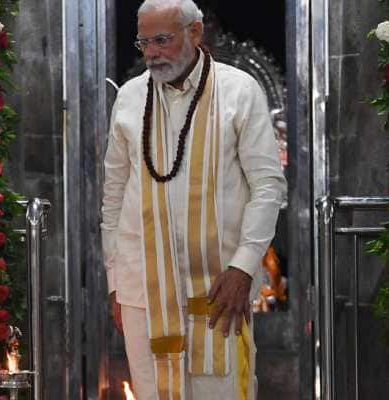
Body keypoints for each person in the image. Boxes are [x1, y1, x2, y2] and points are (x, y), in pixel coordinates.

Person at [100, 1, 286, 399]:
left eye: (162, 40)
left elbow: (268, 186)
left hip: (221, 289)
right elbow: (113, 195)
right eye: (143, 41)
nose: (151, 52)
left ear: (195, 33)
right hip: (141, 290)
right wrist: (116, 282)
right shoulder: (131, 98)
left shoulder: (239, 90)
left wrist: (244, 267)